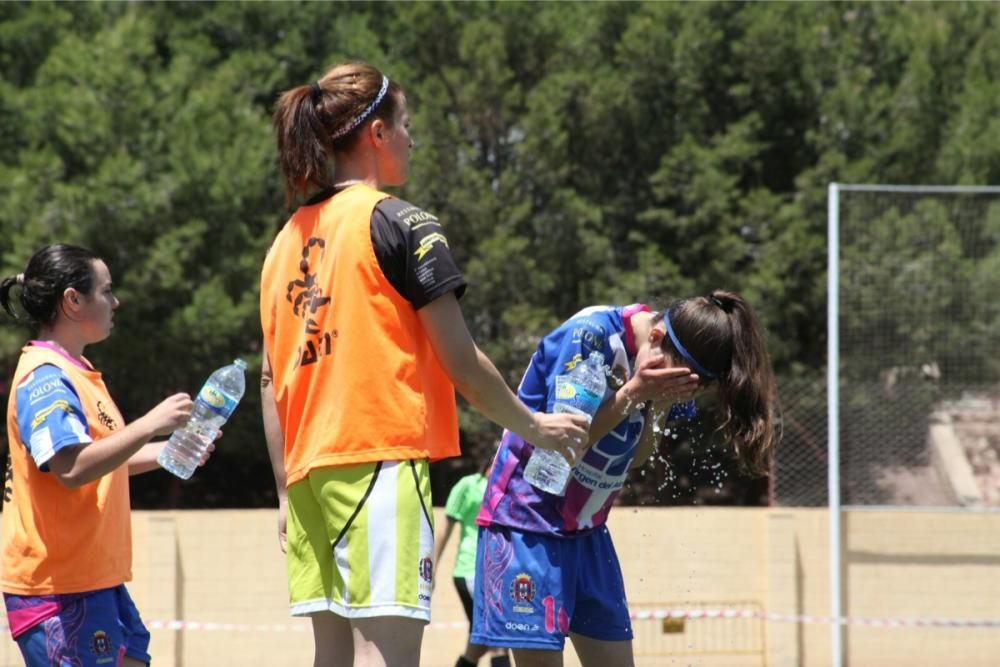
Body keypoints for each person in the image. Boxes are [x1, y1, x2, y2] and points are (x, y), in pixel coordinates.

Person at [260, 61, 589, 667]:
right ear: (378, 134)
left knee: (331, 657)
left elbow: (269, 378)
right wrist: (536, 427)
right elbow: (461, 362)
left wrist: (284, 488)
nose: (413, 138)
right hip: (378, 462)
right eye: (406, 124)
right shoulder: (401, 222)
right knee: (389, 656)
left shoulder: (284, 242)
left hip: (307, 476)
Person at [471, 293, 777, 667]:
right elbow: (561, 444)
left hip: (587, 532)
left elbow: (636, 457)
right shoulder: (591, 337)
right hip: (526, 525)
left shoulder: (658, 374)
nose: (670, 389)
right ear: (657, 336)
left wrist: (658, 405)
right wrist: (634, 393)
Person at [0, 244, 201, 667]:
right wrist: (151, 423)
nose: (116, 301)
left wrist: (167, 453)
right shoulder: (46, 378)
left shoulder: (79, 371)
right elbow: (71, 468)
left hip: (95, 580)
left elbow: (101, 462)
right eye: (106, 291)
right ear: (72, 300)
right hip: (59, 588)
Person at [433, 459, 511, 667]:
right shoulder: (467, 485)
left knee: (479, 642)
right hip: (471, 571)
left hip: (499, 576)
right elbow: (444, 528)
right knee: (496, 638)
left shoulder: (511, 488)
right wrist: (431, 569)